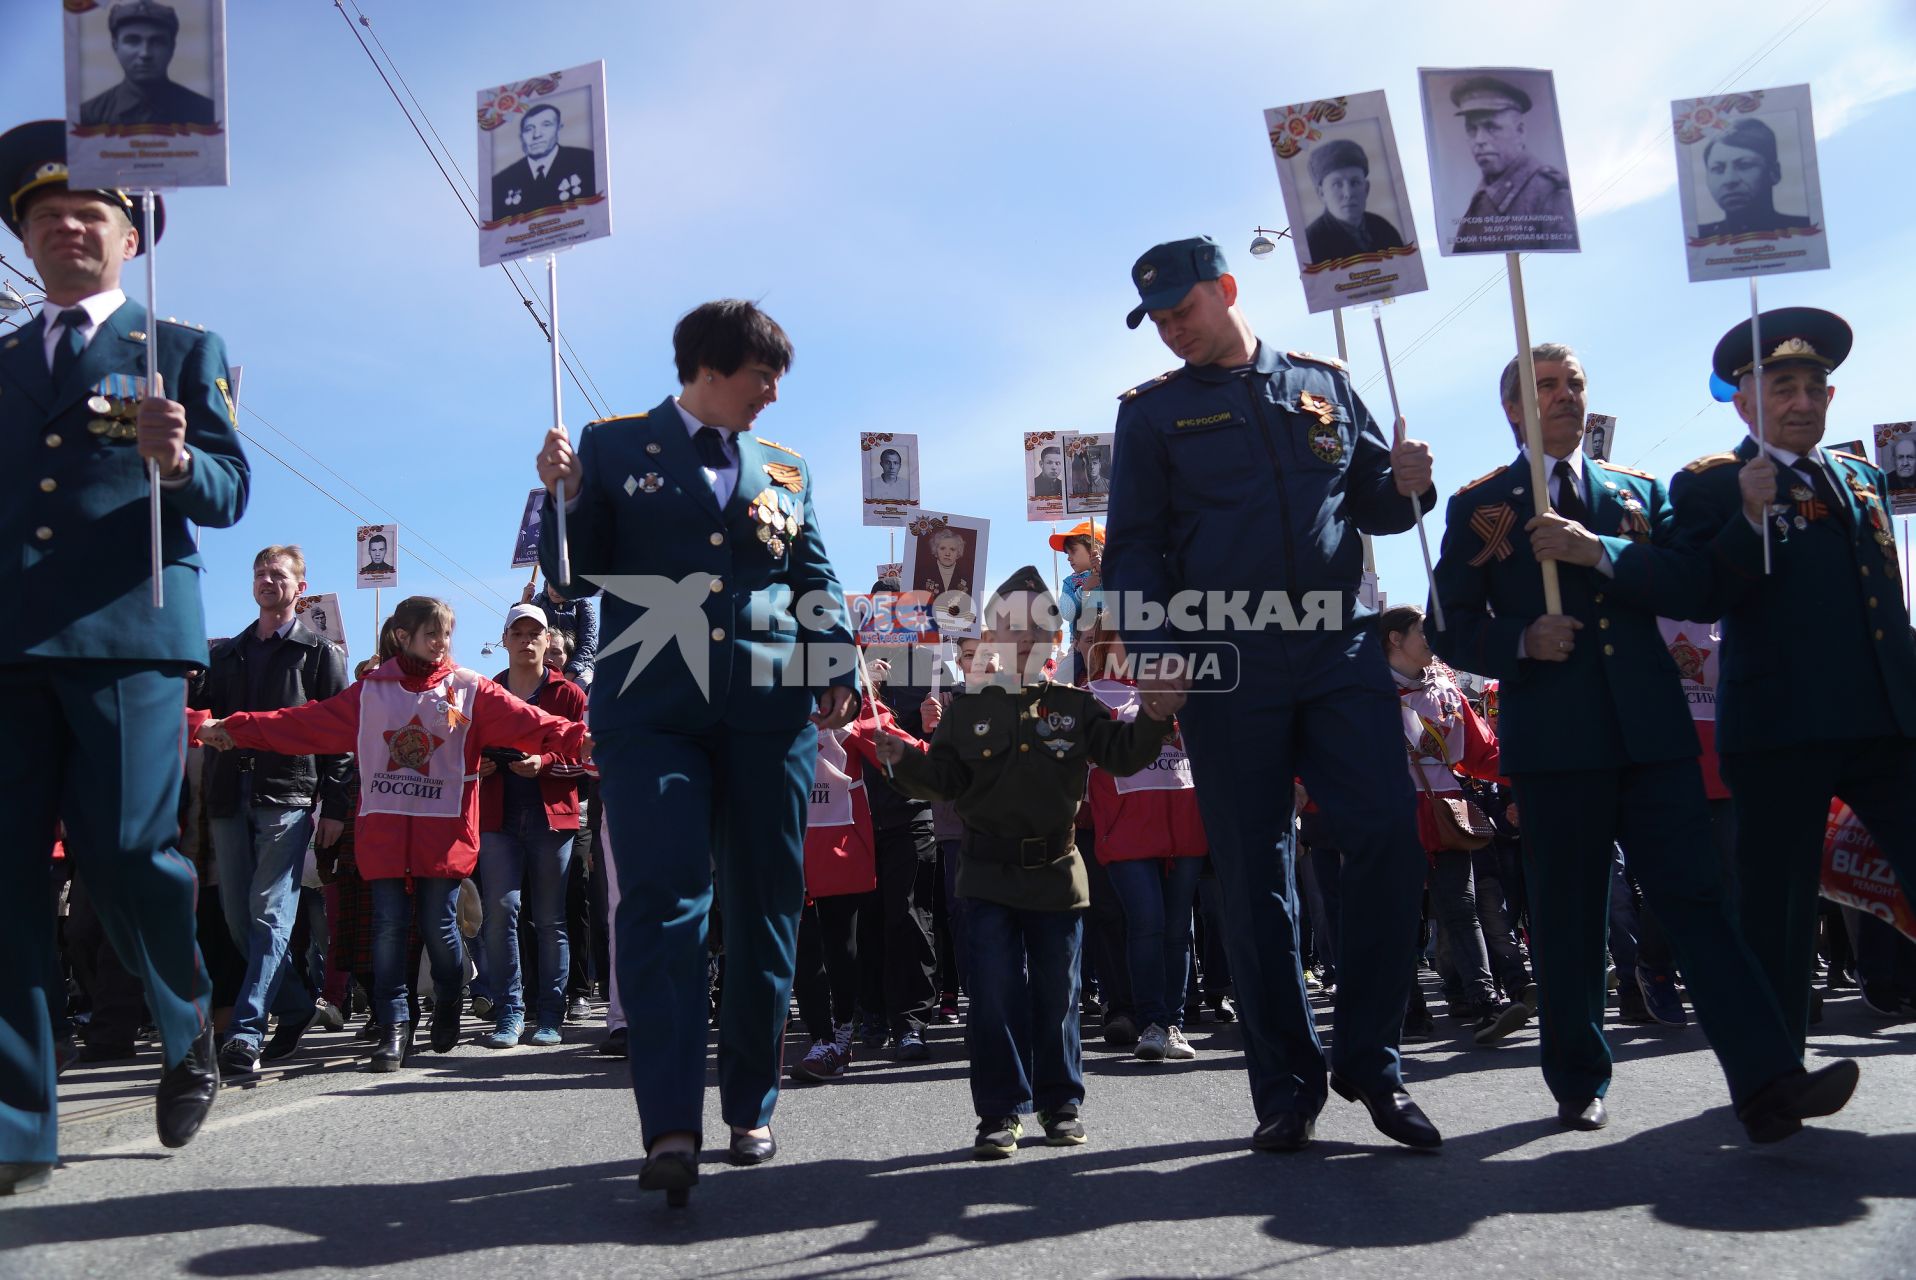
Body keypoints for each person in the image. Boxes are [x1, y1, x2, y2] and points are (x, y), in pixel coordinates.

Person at [1431, 340, 1859, 1142]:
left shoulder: (1637, 495)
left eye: (1575, 384)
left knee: (1700, 904)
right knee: (1568, 916)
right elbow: (1448, 627)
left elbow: (1694, 585)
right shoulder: (1483, 505)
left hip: (1652, 736)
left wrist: (1600, 554)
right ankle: (1579, 1078)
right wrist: (1521, 640)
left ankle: (1768, 1077)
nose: (1565, 397)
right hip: (1556, 745)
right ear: (1513, 407)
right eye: (1547, 386)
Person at [1104, 234, 1441, 1153]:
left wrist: (1413, 482)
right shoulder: (1151, 416)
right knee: (1255, 879)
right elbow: (1131, 546)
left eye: (1185, 310)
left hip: (1339, 649)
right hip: (1228, 657)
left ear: (1228, 288)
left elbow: (1375, 500)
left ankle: (1371, 1062)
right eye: (1160, 320)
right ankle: (1286, 1087)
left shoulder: (1325, 383)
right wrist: (1155, 643)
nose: (1173, 330)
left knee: (1383, 837)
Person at [535, 298, 858, 1207]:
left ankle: (751, 1100)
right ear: (712, 369)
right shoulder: (607, 446)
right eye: (763, 377)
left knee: (766, 908)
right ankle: (669, 1124)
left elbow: (813, 573)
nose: (772, 396)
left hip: (770, 711)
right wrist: (559, 497)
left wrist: (838, 663)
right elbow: (570, 574)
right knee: (665, 904)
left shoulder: (786, 468)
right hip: (653, 707)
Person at [0, 119, 247, 1190]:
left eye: (87, 210)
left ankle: (185, 1014)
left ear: (132, 230)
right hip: (8, 642)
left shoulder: (180, 346)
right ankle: (16, 1128)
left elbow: (231, 495)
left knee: (128, 851)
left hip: (129, 629)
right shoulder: (5, 357)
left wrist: (180, 457)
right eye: (41, 213)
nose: (65, 225)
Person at [198, 597, 589, 1074]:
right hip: (384, 832)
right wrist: (235, 729)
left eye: (446, 633)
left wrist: (581, 737)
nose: (442, 642)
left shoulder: (468, 689)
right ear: (402, 636)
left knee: (440, 929)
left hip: (442, 834)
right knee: (388, 929)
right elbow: (303, 723)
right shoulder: (370, 692)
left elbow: (531, 722)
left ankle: (449, 993)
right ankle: (393, 1027)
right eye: (432, 633)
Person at [1667, 307, 1916, 1057]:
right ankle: (1773, 1067)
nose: (1802, 401)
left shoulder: (1863, 478)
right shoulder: (1711, 485)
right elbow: (1699, 593)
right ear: (1745, 402)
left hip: (1885, 725)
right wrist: (1750, 513)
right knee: (1777, 911)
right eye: (1782, 388)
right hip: (1783, 729)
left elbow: (1885, 609)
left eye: (1814, 386)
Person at [874, 567, 1185, 1157]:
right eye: (1006, 626)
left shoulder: (1076, 705)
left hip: (1056, 872)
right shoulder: (967, 713)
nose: (1017, 638)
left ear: (1052, 639)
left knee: (1057, 993)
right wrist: (901, 760)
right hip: (987, 872)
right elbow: (942, 778)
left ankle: (1060, 1104)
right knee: (992, 994)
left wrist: (1153, 717)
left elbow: (1120, 757)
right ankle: (999, 1111)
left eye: (1031, 627)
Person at [190, 545, 350, 1080]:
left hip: (286, 798)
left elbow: (341, 734)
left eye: (278, 574)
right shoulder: (226, 653)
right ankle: (298, 1001)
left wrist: (336, 804)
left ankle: (246, 1031)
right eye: (259, 572)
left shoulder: (319, 654)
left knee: (269, 913)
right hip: (226, 798)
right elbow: (203, 716)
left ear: (300, 588)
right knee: (239, 918)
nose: (266, 580)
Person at [1377, 605, 1533, 1043]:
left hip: (1447, 813)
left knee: (1462, 912)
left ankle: (1487, 1003)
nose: (1434, 640)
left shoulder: (1447, 687)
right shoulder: (1363, 690)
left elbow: (1482, 754)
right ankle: (1408, 1008)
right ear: (1394, 639)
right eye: (1424, 633)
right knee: (1400, 918)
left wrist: (1533, 769)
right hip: (1390, 813)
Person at [1081, 622, 1208, 1063]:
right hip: (1129, 831)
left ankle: (1172, 1024)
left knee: (1179, 931)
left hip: (1185, 828)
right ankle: (1151, 1021)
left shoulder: (1188, 690)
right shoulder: (1093, 694)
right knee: (1148, 922)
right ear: (1107, 645)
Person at [476, 604, 587, 1048]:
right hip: (497, 816)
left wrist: (544, 762)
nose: (526, 641)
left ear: (548, 642)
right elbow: (463, 747)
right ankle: (509, 1012)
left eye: (534, 634)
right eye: (517, 633)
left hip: (551, 819)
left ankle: (550, 1015)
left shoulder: (569, 695)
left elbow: (583, 757)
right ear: (504, 640)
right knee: (500, 913)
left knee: (549, 919)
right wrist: (480, 763)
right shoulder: (484, 693)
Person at [1446, 76, 1575, 253]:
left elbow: (1564, 266)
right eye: (1472, 129)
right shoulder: (1482, 196)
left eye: (1491, 127)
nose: (1479, 140)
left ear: (1520, 131)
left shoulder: (1551, 193)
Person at [78, 1, 217, 129]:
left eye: (157, 42)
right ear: (115, 46)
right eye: (132, 41)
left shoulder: (205, 112)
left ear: (172, 47)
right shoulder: (89, 115)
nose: (145, 54)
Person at [1696, 118, 1814, 239]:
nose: (1730, 180)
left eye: (1744, 165)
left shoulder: (1805, 229)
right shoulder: (1701, 236)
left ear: (1774, 173)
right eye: (1718, 169)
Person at [1302, 138, 1407, 265]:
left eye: (1355, 182)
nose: (1348, 193)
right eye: (1337, 184)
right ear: (1321, 193)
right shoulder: (1311, 243)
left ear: (1366, 188)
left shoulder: (1384, 229)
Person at [490, 103, 596, 218]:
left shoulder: (586, 161)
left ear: (558, 128)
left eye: (546, 125)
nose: (537, 135)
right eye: (529, 129)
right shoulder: (500, 183)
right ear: (521, 137)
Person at [521, 579, 598, 686]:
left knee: (582, 683)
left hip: (578, 665)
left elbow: (587, 644)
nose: (556, 592)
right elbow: (519, 628)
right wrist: (523, 604)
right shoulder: (540, 601)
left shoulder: (583, 606)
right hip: (543, 661)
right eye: (553, 586)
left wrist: (570, 674)